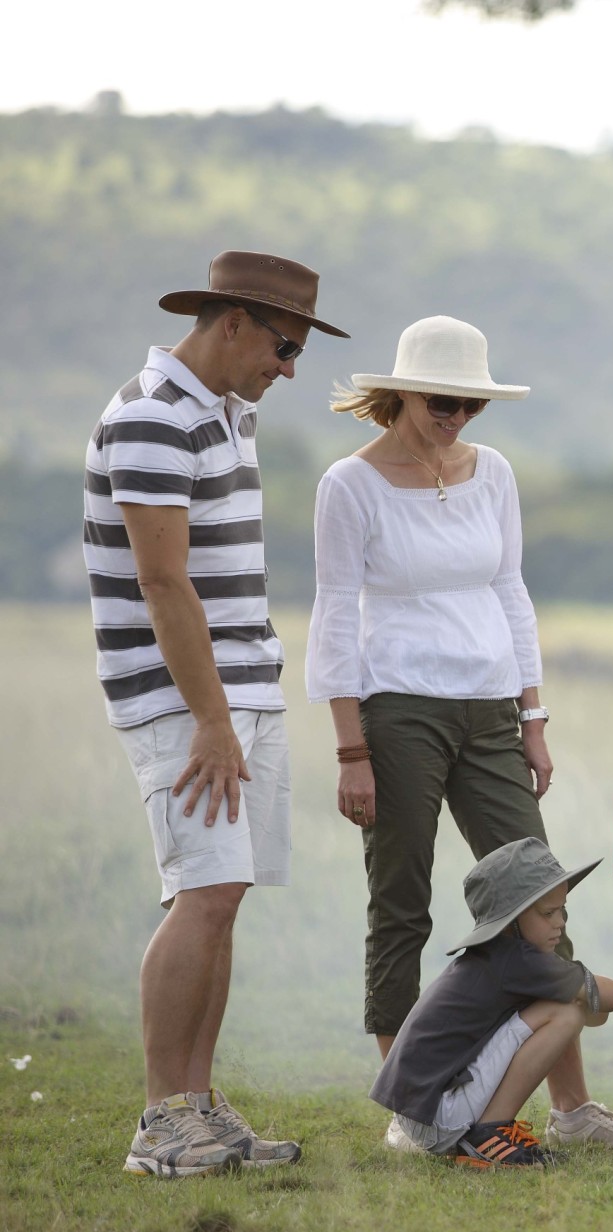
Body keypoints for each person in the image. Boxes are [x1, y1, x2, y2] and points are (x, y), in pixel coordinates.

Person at [309, 316, 613, 1148]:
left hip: (492, 708)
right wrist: (351, 747)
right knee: (402, 902)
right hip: (398, 712)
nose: (455, 416)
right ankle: (413, 1116)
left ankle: (570, 1110)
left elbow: (511, 592)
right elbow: (335, 618)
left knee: (543, 899)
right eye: (440, 401)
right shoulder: (348, 486)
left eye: (470, 403)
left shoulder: (491, 474)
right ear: (400, 393)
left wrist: (533, 718)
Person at [86, 250, 346, 1176]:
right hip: (187, 701)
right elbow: (163, 581)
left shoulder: (222, 415)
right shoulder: (156, 416)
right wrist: (210, 718)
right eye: (283, 347)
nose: (288, 368)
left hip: (238, 691)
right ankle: (162, 1121)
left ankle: (198, 1104)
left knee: (223, 897)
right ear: (231, 321)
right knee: (200, 894)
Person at [372, 838, 613, 1168]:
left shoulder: (498, 958)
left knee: (568, 1010)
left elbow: (597, 1014)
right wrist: (581, 990)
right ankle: (490, 1133)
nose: (560, 922)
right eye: (548, 913)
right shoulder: (520, 961)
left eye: (563, 910)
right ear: (510, 920)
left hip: (422, 1114)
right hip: (439, 1114)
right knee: (564, 1013)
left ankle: (485, 1131)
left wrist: (583, 999)